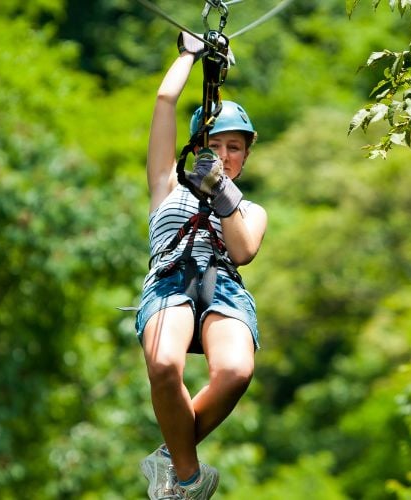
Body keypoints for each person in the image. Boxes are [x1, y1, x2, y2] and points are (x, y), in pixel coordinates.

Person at [135, 32, 267, 500]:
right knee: (165, 364)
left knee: (235, 372)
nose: (227, 156)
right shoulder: (166, 184)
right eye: (218, 145)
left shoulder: (251, 209)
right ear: (198, 146)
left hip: (223, 287)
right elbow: (165, 100)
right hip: (171, 280)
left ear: (246, 156)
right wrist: (190, 55)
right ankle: (187, 482)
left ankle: (171, 458)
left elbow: (245, 249)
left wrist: (222, 193)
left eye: (236, 148)